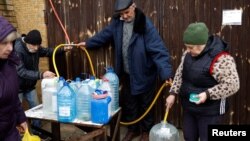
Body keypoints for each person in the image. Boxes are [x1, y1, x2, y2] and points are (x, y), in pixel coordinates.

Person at [77, 0, 172, 140]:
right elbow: (104, 35)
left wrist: (166, 73)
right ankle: (133, 130)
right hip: (126, 73)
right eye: (121, 14)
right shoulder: (117, 23)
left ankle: (146, 131)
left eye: (127, 12)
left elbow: (158, 50)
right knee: (130, 103)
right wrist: (88, 43)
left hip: (143, 73)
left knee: (146, 104)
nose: (125, 16)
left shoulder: (144, 25)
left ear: (133, 7)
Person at [165, 22, 240, 141]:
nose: (187, 50)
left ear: (202, 44)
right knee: (189, 137)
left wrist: (207, 94)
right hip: (190, 108)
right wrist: (173, 93)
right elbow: (180, 74)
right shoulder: (187, 54)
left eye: (190, 47)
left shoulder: (221, 59)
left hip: (211, 111)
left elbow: (232, 84)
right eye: (186, 47)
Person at [14, 29, 72, 136]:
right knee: (16, 112)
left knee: (37, 110)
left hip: (30, 86)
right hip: (17, 87)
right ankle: (18, 135)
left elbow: (48, 51)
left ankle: (37, 132)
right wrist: (42, 74)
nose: (36, 48)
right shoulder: (18, 50)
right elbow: (21, 71)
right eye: (33, 45)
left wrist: (63, 49)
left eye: (38, 45)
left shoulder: (36, 48)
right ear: (27, 42)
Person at [0, 16, 27, 141]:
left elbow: (13, 97)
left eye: (11, 42)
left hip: (10, 132)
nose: (10, 48)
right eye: (5, 43)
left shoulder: (9, 65)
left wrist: (20, 118)